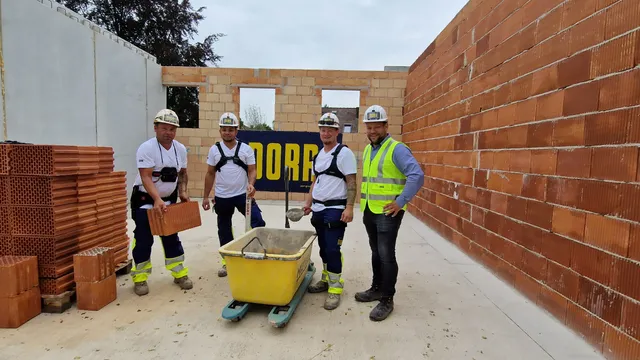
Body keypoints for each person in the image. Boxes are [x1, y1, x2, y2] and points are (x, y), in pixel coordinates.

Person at [355, 105, 425, 321]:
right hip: (369, 209)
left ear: (386, 126)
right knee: (376, 252)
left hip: (387, 212)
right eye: (369, 127)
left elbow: (417, 175)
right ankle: (376, 288)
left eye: (377, 126)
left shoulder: (397, 149)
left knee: (386, 255)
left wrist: (400, 201)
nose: (372, 131)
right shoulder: (368, 149)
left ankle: (387, 299)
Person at [129, 109, 194, 296]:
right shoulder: (147, 148)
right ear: (155, 128)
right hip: (144, 199)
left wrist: (183, 192)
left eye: (172, 129)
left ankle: (179, 273)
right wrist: (157, 199)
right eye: (164, 128)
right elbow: (146, 176)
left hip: (168, 200)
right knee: (143, 238)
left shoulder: (180, 149)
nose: (169, 132)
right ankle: (140, 278)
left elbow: (182, 173)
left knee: (171, 236)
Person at [302, 112, 357, 310]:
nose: (326, 133)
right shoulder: (318, 156)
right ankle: (326, 279)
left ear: (337, 131)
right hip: (318, 208)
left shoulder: (344, 154)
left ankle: (335, 288)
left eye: (330, 129)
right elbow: (315, 181)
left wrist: (349, 207)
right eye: (322, 129)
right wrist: (308, 203)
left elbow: (351, 182)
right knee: (324, 247)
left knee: (333, 248)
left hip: (336, 208)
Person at [202, 112, 267, 277]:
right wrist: (205, 196)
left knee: (257, 221)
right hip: (222, 197)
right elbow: (210, 174)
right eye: (224, 129)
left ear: (236, 131)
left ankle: (258, 254)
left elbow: (252, 170)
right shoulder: (215, 150)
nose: (227, 133)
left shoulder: (245, 149)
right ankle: (228, 261)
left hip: (243, 196)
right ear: (220, 131)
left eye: (231, 129)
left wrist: (251, 185)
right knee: (224, 229)